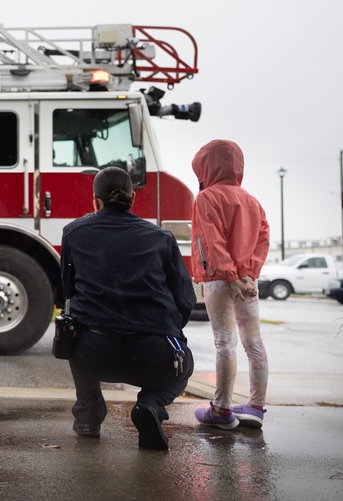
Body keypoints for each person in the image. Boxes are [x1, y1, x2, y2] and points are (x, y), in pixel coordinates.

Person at [61, 167, 196, 450]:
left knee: (73, 334)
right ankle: (150, 404)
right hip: (154, 357)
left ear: (95, 200)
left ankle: (88, 417)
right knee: (186, 364)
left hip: (95, 353)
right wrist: (166, 330)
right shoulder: (162, 238)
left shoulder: (73, 233)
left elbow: (68, 290)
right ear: (132, 198)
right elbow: (184, 299)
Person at [190, 139, 270, 430]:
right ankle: (256, 407)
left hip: (219, 280)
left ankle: (222, 410)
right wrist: (248, 274)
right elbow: (263, 238)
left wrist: (231, 276)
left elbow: (211, 241)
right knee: (254, 342)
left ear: (207, 166)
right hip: (247, 282)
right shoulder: (252, 200)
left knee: (225, 342)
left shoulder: (207, 197)